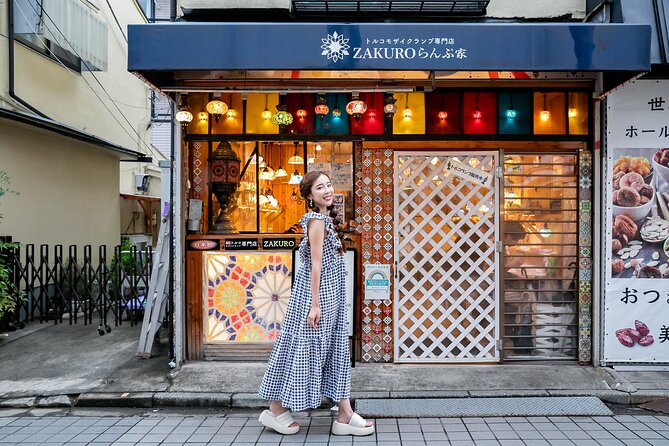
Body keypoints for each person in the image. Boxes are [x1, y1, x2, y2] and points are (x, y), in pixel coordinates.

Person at [258, 171, 374, 437]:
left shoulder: (323, 219)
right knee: (304, 348)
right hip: (317, 298)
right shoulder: (316, 220)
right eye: (320, 187)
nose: (327, 190)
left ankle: (343, 412)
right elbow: (315, 265)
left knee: (329, 349)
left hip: (328, 297)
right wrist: (315, 305)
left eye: (329, 185)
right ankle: (276, 408)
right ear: (309, 195)